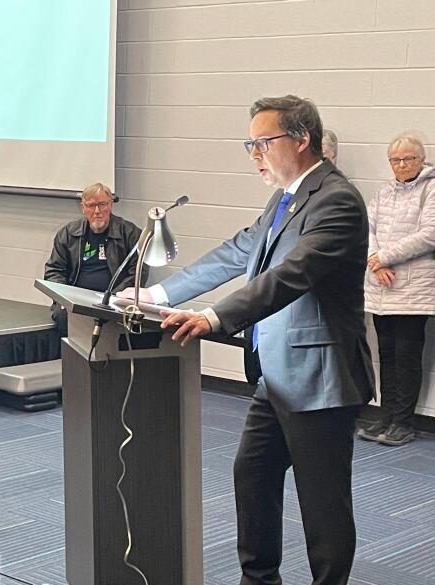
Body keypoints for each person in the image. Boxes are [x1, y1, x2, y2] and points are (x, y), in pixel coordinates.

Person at [119, 95, 374, 585]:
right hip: (274, 376)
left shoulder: (337, 200)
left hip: (320, 381)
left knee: (323, 508)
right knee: (252, 477)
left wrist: (215, 317)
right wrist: (156, 292)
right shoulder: (284, 198)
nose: (254, 153)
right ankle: (259, 580)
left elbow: (290, 276)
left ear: (302, 139)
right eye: (249, 144)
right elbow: (237, 252)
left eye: (263, 142)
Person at [359, 134, 435, 446]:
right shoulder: (383, 192)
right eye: (395, 160)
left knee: (407, 357)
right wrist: (376, 262)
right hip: (380, 285)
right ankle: (385, 415)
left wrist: (384, 257)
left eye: (408, 158)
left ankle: (403, 422)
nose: (401, 165)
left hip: (415, 290)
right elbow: (366, 228)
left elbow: (432, 234)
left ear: (421, 160)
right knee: (386, 356)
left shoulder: (433, 189)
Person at [44, 182, 144, 337]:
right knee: (62, 316)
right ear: (83, 208)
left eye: (102, 204)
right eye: (91, 205)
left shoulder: (130, 233)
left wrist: (113, 298)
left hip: (115, 300)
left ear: (110, 205)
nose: (97, 211)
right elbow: (54, 270)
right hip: (76, 298)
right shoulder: (68, 233)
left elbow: (138, 274)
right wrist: (65, 297)